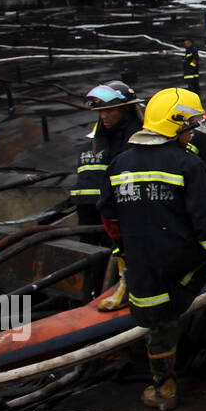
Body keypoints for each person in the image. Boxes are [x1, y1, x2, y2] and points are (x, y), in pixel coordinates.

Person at [98, 87, 206, 411]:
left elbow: (109, 216)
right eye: (190, 126)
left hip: (144, 276)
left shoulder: (119, 163)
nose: (193, 132)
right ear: (176, 125)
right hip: (181, 265)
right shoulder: (187, 163)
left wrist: (123, 251)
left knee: (159, 323)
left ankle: (164, 388)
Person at [69, 83, 144, 309]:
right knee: (94, 246)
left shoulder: (134, 135)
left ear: (125, 109)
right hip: (97, 206)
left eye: (109, 111)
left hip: (128, 205)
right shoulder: (104, 135)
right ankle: (94, 290)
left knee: (123, 245)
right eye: (101, 112)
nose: (104, 117)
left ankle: (126, 284)